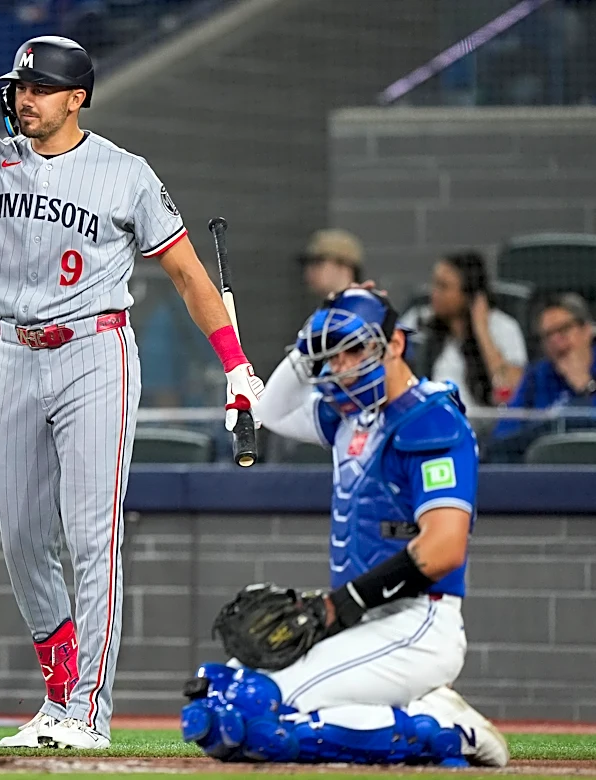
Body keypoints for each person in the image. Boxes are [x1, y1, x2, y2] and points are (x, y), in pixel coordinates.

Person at [0, 38, 264, 750]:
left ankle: (88, 712)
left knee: (90, 536)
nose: (25, 98)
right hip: (16, 353)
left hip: (96, 350)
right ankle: (56, 697)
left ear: (77, 97)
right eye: (19, 87)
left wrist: (235, 365)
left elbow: (192, 278)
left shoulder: (125, 172)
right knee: (19, 537)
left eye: (41, 88)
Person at [180, 289, 509, 768]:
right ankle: (422, 711)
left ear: (395, 343)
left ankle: (447, 732)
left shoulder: (431, 418)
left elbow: (443, 549)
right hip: (359, 623)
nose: (341, 366)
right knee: (219, 700)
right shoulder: (350, 417)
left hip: (419, 622)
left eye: (353, 349)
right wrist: (309, 342)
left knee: (251, 713)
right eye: (330, 357)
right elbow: (268, 410)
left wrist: (342, 603)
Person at [400, 251, 527, 411]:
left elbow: (513, 390)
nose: (434, 293)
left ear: (469, 295)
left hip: (487, 428)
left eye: (443, 287)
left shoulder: (503, 327)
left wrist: (482, 330)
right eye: (434, 284)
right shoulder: (419, 320)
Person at [489, 293, 596, 458]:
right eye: (548, 335)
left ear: (587, 330)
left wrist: (586, 386)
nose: (555, 340)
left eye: (563, 329)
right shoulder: (536, 377)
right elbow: (502, 435)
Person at [299, 229, 363, 299]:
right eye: (307, 263)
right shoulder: (333, 305)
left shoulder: (362, 305)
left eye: (318, 262)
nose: (309, 270)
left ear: (344, 266)